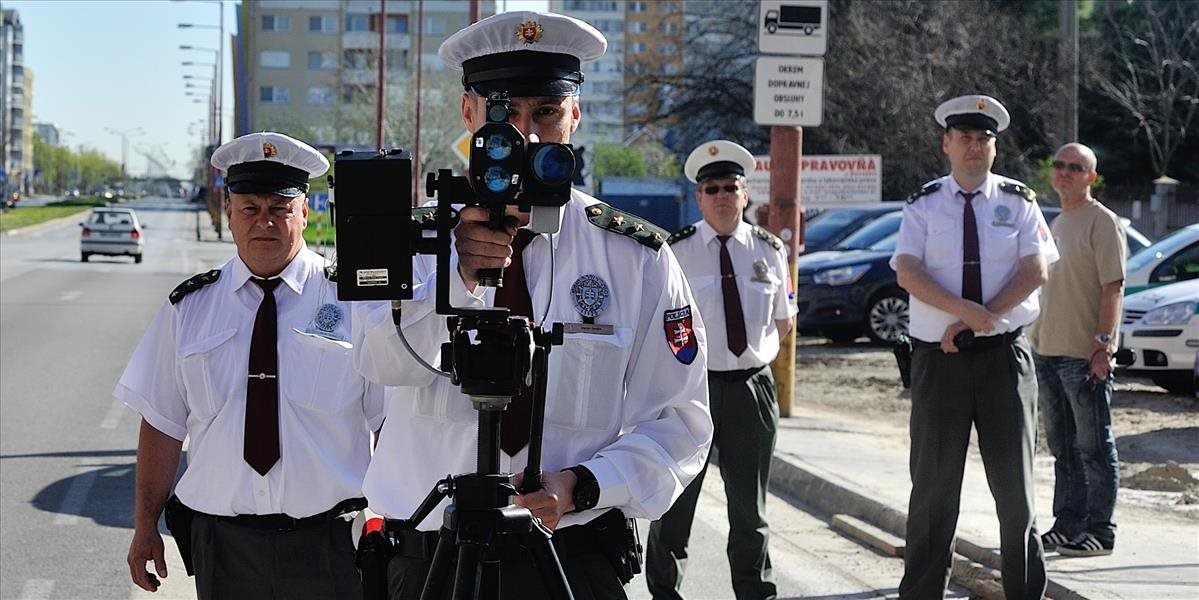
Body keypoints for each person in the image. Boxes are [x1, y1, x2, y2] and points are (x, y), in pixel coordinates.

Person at [351, 11, 713, 600]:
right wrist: (460, 275)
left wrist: (585, 486)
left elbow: (681, 422)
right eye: (504, 116)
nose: (526, 135)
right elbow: (379, 365)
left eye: (545, 112)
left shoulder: (635, 258)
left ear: (575, 112)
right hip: (432, 561)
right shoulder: (412, 245)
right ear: (469, 115)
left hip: (569, 559)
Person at [118, 132, 386, 599]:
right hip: (224, 548)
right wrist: (145, 527)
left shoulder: (353, 304)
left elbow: (389, 425)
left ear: (305, 212)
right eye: (249, 208)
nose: (265, 221)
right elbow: (161, 423)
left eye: (280, 207)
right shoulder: (190, 308)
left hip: (332, 546)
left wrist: (395, 522)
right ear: (228, 212)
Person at [891, 95, 1057, 600]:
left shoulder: (1019, 202)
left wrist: (985, 319)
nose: (974, 147)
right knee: (934, 491)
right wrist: (968, 314)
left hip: (1005, 359)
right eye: (964, 137)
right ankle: (921, 593)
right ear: (946, 144)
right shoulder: (922, 205)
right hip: (939, 363)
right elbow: (908, 271)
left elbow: (1036, 270)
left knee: (1016, 493)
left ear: (995, 147)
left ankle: (1026, 593)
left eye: (983, 138)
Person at [645, 141, 795, 600]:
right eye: (713, 188)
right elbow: (658, 324)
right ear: (699, 197)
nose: (723, 196)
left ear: (746, 194)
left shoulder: (769, 250)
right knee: (676, 503)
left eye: (732, 187)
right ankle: (665, 593)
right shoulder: (676, 252)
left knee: (750, 509)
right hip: (693, 390)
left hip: (751, 388)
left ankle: (755, 592)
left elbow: (784, 320)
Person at [1029, 143, 1124, 557]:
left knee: (1094, 448)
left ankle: (1101, 532)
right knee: (1063, 448)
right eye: (1060, 165)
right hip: (1047, 351)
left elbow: (1113, 287)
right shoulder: (1056, 222)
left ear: (1092, 177)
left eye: (1076, 167)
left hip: (1084, 357)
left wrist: (1103, 346)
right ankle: (1068, 525)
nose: (1065, 172)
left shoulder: (1102, 223)